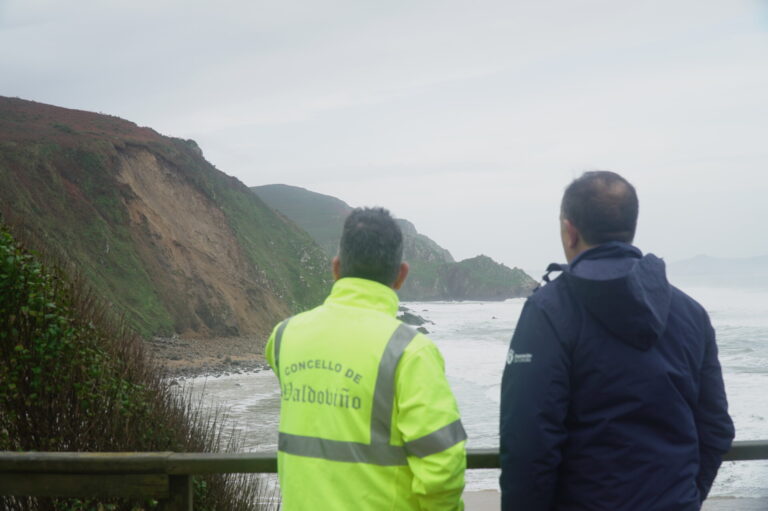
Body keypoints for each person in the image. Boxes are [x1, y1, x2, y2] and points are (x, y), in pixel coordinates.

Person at [499, 171, 734, 510]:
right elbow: (715, 429)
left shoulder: (550, 311)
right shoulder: (691, 314)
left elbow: (529, 442)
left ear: (570, 231)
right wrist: (686, 497)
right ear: (630, 228)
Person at [266, 207, 467, 510]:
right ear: (401, 275)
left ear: (336, 268)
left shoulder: (283, 337)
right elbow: (442, 467)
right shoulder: (411, 352)